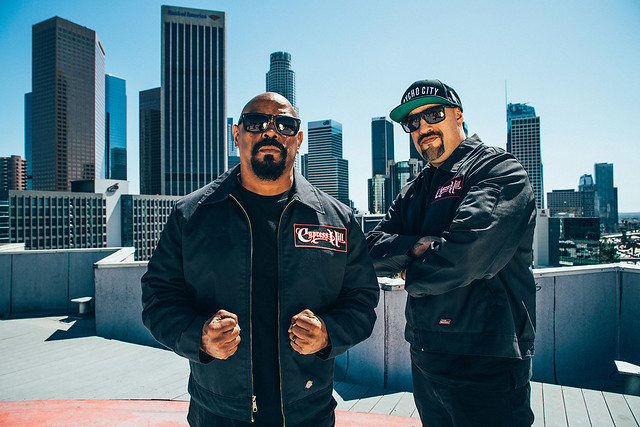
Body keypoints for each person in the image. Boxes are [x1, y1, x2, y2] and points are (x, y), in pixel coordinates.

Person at [141, 92, 379, 427]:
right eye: (255, 122)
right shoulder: (190, 215)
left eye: (284, 124)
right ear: (236, 135)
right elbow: (157, 298)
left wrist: (328, 334)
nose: (270, 131)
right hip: (218, 413)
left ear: (298, 139)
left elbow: (362, 301)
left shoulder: (337, 220)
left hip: (308, 412)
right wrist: (200, 337)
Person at [367, 79, 537, 426]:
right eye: (412, 122)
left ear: (458, 115)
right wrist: (416, 245)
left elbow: (466, 257)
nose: (422, 127)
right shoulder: (414, 191)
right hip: (425, 355)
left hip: (487, 359)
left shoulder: (497, 170)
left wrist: (409, 271)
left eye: (433, 114)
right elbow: (369, 249)